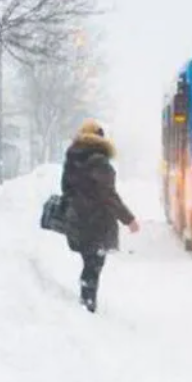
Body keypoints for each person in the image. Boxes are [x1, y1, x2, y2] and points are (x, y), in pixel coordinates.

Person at [60, 119, 139, 313]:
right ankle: (88, 304)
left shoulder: (71, 160)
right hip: (96, 221)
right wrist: (128, 219)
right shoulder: (100, 163)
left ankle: (86, 300)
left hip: (77, 219)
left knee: (89, 261)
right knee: (94, 263)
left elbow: (65, 189)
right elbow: (108, 196)